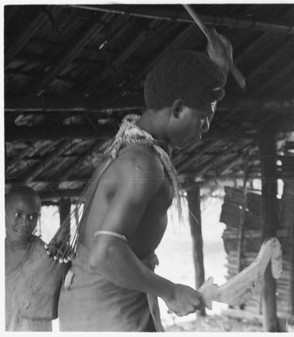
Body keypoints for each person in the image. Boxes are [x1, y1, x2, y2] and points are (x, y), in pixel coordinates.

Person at [57, 32, 232, 332]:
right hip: (106, 308)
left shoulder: (140, 137)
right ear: (177, 109)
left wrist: (218, 71)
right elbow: (105, 252)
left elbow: (192, 92)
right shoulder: (142, 163)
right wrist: (171, 290)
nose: (205, 129)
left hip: (110, 295)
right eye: (203, 118)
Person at [5, 185, 68, 331]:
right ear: (4, 210)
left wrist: (67, 263)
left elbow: (70, 292)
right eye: (18, 214)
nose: (25, 222)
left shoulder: (48, 257)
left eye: (33, 216)